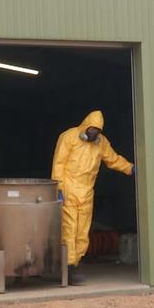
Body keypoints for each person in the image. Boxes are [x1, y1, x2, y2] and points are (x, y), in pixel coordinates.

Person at [51, 110, 134, 285]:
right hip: (69, 190)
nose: (93, 134)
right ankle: (68, 268)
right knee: (69, 229)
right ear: (85, 126)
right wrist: (58, 188)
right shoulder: (69, 137)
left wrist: (130, 168)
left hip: (87, 192)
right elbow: (59, 163)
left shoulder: (101, 143)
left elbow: (113, 159)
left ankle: (75, 264)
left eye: (97, 131)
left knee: (82, 232)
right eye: (91, 130)